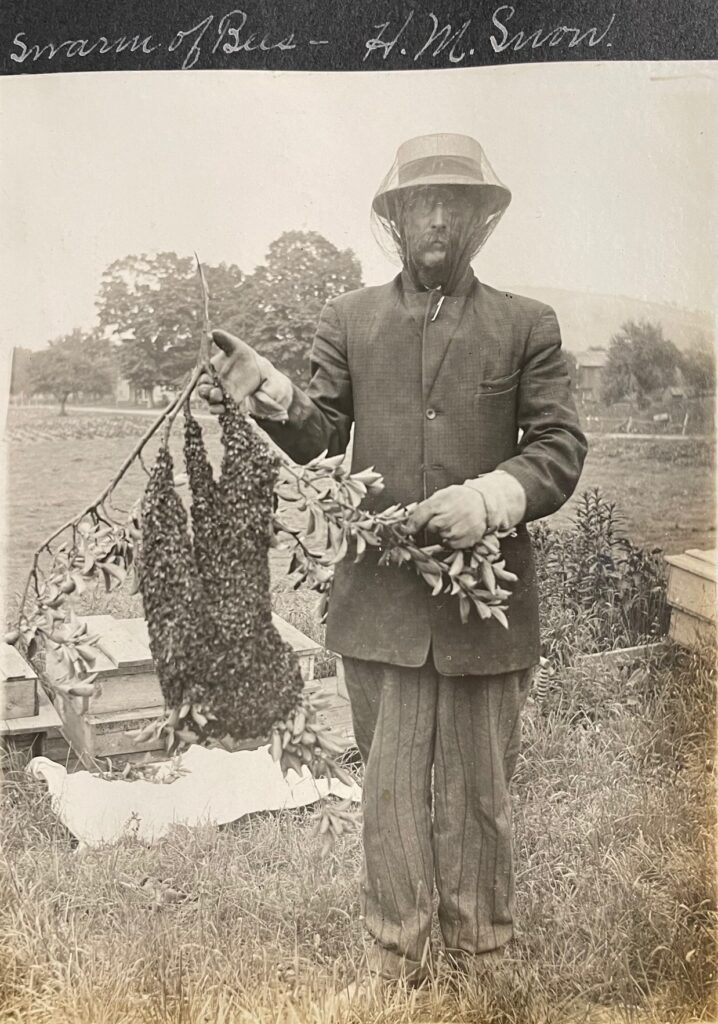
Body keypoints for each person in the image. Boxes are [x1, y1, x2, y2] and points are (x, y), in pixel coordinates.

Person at [198, 133, 588, 997]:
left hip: (488, 607)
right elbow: (321, 436)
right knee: (391, 792)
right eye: (422, 203)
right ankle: (397, 963)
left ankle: (483, 957)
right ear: (397, 217)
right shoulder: (350, 319)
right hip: (379, 604)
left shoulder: (527, 325)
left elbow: (560, 446)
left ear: (481, 220)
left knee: (480, 791)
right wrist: (269, 392)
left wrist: (490, 498)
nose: (439, 217)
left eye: (457, 203)